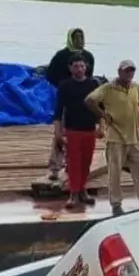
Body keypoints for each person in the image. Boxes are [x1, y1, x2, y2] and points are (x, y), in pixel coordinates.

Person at [85, 60, 139, 216]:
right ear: (119, 72)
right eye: (126, 71)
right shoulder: (108, 88)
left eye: (131, 71)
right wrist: (103, 115)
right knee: (114, 174)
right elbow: (89, 100)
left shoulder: (136, 87)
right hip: (115, 138)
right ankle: (116, 205)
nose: (129, 74)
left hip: (135, 138)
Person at [46, 28, 96, 182]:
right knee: (60, 133)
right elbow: (50, 74)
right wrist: (64, 85)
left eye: (82, 37)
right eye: (76, 38)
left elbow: (90, 76)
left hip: (83, 98)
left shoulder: (88, 57)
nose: (79, 41)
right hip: (66, 95)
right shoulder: (62, 56)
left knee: (80, 134)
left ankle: (73, 166)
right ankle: (55, 167)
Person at [54, 53, 102, 210]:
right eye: (76, 66)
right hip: (73, 129)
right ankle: (73, 193)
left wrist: (102, 126)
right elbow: (58, 110)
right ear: (70, 68)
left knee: (86, 162)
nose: (79, 69)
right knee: (73, 162)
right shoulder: (65, 86)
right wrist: (58, 132)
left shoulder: (94, 84)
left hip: (89, 129)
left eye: (82, 66)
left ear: (86, 67)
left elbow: (100, 108)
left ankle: (83, 189)